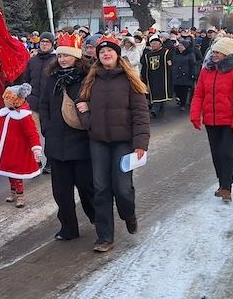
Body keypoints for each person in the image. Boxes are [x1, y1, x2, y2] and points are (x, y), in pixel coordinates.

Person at [76, 35, 149, 253]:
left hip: (123, 143)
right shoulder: (91, 79)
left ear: (117, 55)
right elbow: (81, 105)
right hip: (98, 141)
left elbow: (140, 113)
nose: (106, 54)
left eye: (109, 51)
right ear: (98, 57)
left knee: (122, 188)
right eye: (101, 52)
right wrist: (89, 121)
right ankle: (105, 236)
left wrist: (140, 143)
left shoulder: (130, 79)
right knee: (101, 188)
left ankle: (128, 214)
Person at [38, 33, 96, 240]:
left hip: (80, 143)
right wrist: (46, 127)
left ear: (76, 57)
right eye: (60, 56)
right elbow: (43, 104)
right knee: (61, 192)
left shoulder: (87, 78)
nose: (62, 60)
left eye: (67, 56)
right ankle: (68, 228)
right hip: (56, 143)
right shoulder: (52, 77)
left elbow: (95, 105)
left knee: (86, 188)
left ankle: (97, 219)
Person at [190, 37, 233, 203]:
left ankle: (226, 187)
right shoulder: (206, 70)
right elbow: (199, 93)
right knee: (216, 154)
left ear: (227, 54)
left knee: (226, 153)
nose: (214, 55)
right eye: (214, 51)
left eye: (219, 52)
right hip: (211, 120)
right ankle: (222, 183)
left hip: (230, 121)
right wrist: (195, 114)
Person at [0, 83, 44, 208]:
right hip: (6, 150)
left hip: (18, 150)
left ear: (15, 101)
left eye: (7, 99)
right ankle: (13, 192)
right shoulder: (4, 114)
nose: (4, 101)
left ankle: (20, 195)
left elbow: (32, 134)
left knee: (16, 174)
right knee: (9, 173)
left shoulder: (24, 117)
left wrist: (36, 148)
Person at [21, 31, 54, 173]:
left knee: (50, 134)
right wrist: (26, 96)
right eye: (42, 42)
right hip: (33, 103)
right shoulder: (32, 61)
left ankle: (50, 162)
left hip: (50, 104)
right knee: (33, 134)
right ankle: (36, 161)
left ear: (52, 44)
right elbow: (26, 79)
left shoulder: (56, 60)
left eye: (47, 42)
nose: (44, 44)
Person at [140, 37, 173, 118]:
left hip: (162, 76)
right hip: (152, 77)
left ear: (160, 44)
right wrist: (142, 76)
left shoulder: (166, 53)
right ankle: (158, 109)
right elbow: (144, 65)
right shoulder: (147, 55)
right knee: (154, 92)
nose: (153, 45)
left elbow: (170, 65)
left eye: (155, 43)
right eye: (152, 44)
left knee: (161, 92)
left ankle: (155, 110)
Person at [171, 38, 199, 111]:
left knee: (184, 90)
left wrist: (194, 74)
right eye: (179, 45)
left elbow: (193, 65)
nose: (180, 47)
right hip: (176, 73)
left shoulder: (190, 54)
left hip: (186, 74)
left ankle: (183, 104)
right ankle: (179, 99)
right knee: (177, 89)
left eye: (182, 46)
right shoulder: (175, 53)